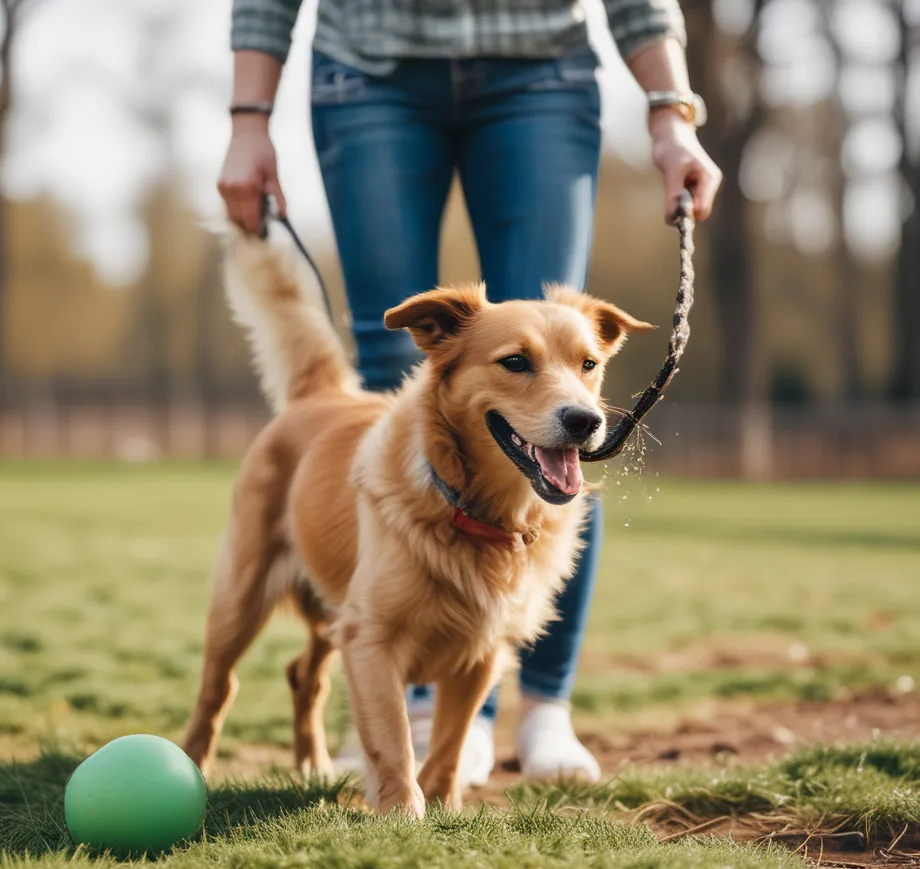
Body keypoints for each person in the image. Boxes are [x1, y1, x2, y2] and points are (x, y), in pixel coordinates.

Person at [218, 0, 721, 787]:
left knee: (545, 341)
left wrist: (670, 106)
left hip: (542, 70)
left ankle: (543, 706)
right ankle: (415, 717)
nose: (584, 395)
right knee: (399, 354)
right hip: (369, 66)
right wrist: (250, 116)